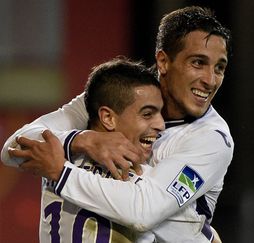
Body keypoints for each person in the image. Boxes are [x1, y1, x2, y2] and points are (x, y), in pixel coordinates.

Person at [3, 5, 232, 243]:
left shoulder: (212, 139)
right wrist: (84, 140)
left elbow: (143, 210)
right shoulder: (117, 95)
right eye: (198, 63)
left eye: (220, 68)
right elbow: (13, 148)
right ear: (163, 61)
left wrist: (61, 172)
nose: (210, 80)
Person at [16, 57, 165, 242]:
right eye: (147, 114)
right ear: (108, 118)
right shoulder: (149, 180)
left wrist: (62, 169)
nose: (161, 124)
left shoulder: (55, 157)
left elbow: (14, 147)